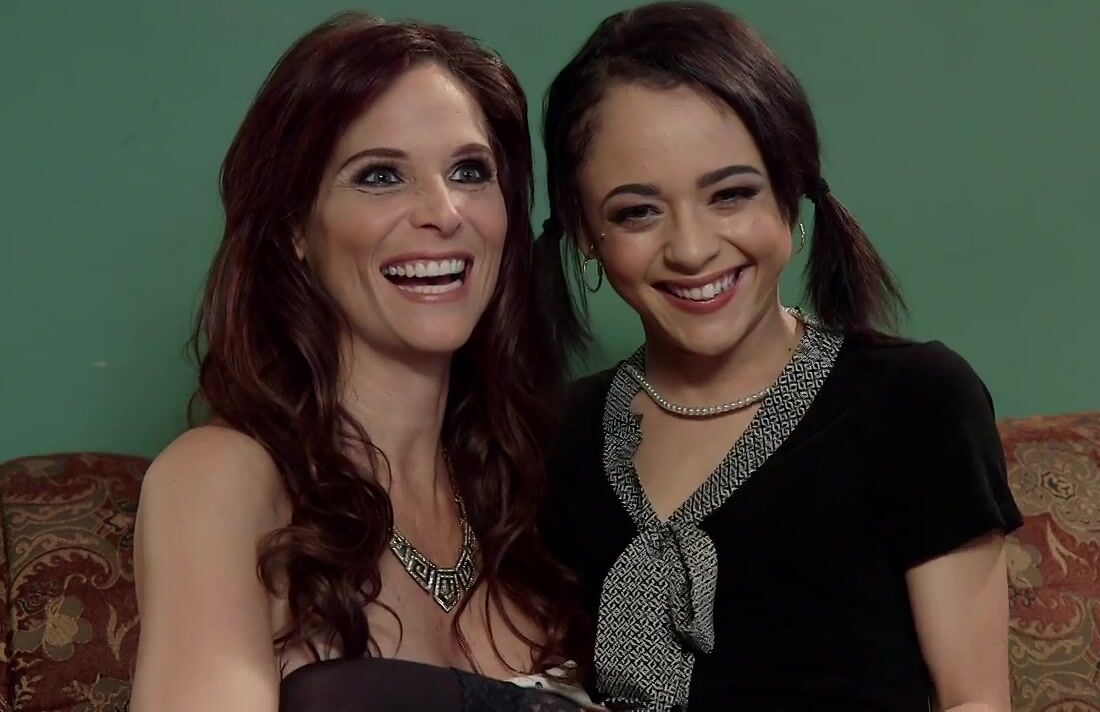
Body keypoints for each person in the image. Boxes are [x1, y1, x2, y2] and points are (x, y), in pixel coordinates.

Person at [536, 3, 1023, 710]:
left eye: (731, 195)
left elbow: (974, 701)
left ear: (791, 194)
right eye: (637, 211)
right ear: (585, 231)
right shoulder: (557, 433)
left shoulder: (914, 400)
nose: (692, 249)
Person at [130, 13, 593, 711]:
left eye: (470, 171)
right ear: (295, 227)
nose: (444, 212)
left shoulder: (528, 489)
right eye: (380, 176)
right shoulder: (220, 478)